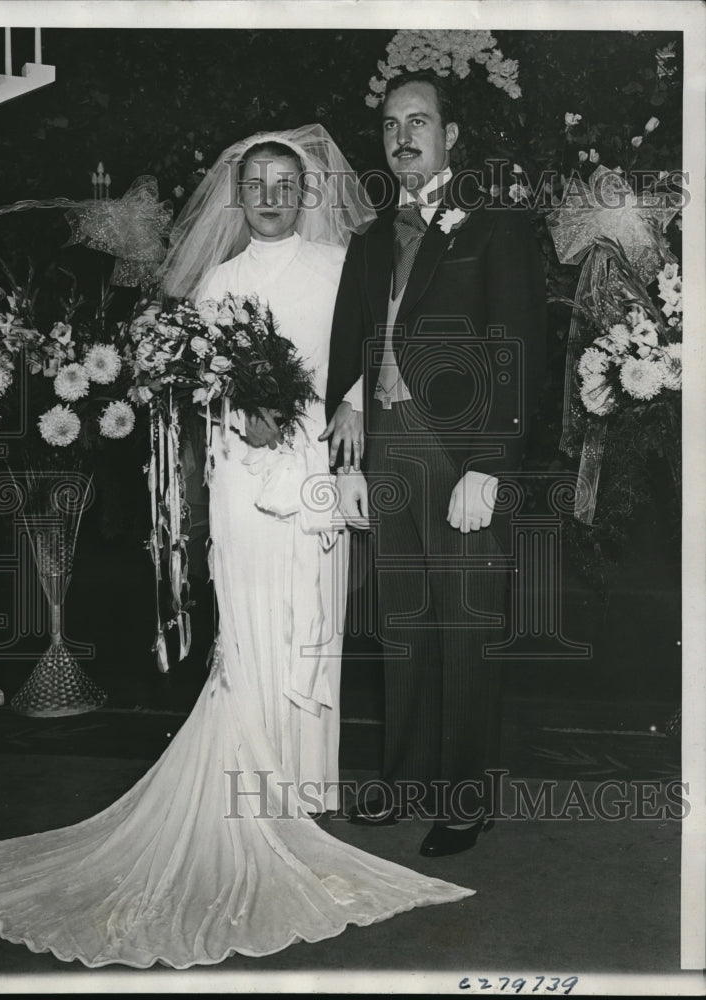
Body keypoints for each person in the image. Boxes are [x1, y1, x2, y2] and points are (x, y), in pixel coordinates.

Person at [0, 125, 476, 969]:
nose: (270, 194)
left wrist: (319, 417)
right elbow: (194, 393)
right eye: (255, 183)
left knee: (311, 616)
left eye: (285, 180)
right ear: (236, 198)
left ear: (307, 190)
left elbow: (362, 359)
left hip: (315, 470)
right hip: (242, 476)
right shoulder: (217, 281)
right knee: (249, 617)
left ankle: (308, 784)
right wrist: (237, 414)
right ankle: (254, 777)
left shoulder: (340, 266)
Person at [323, 73, 547, 856]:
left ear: (452, 138)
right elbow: (360, 338)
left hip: (457, 452)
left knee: (462, 626)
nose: (403, 137)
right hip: (385, 444)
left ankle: (464, 795)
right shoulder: (369, 238)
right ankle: (404, 775)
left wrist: (491, 463)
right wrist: (347, 436)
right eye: (390, 126)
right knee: (403, 624)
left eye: (419, 123)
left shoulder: (494, 226)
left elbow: (517, 346)